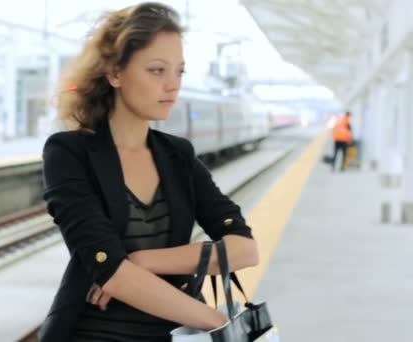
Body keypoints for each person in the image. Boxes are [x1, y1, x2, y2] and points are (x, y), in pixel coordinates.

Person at [39, 3, 259, 341]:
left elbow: (244, 250)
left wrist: (145, 260)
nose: (173, 86)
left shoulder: (178, 155)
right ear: (114, 73)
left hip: (173, 333)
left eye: (179, 71)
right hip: (93, 333)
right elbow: (111, 273)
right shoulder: (68, 153)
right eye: (157, 70)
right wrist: (217, 321)